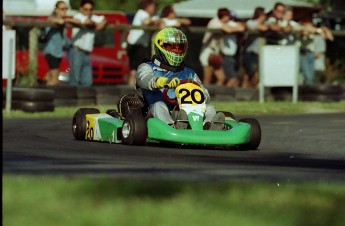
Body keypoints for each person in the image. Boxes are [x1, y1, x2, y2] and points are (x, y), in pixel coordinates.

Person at [136, 27, 225, 130]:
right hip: (154, 112)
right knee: (159, 105)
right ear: (160, 47)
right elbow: (144, 79)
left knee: (210, 108)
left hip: (184, 113)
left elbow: (205, 94)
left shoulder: (189, 72)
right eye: (172, 48)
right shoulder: (147, 66)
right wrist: (162, 81)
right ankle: (171, 126)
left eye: (179, 48)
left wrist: (202, 94)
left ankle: (207, 126)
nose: (176, 51)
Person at [68, 0, 107, 87]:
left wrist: (100, 24)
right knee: (74, 79)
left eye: (90, 9)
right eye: (86, 9)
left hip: (86, 53)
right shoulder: (78, 16)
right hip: (76, 51)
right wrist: (95, 24)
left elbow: (104, 20)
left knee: (87, 81)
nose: (88, 11)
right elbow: (87, 22)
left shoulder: (93, 17)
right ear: (81, 9)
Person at [199, 8, 239, 86]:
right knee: (207, 78)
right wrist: (235, 28)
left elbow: (241, 27)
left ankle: (215, 96)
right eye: (228, 16)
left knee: (222, 78)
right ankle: (202, 96)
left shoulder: (224, 23)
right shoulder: (215, 22)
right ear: (224, 16)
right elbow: (228, 30)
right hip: (208, 51)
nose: (229, 18)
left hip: (216, 52)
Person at [127, 0, 163, 86]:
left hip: (137, 45)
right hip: (138, 46)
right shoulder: (142, 13)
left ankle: (131, 91)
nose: (155, 8)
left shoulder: (148, 15)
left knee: (134, 71)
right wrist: (157, 22)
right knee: (140, 71)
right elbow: (147, 22)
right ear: (149, 6)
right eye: (154, 6)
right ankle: (135, 91)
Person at [43, 1, 72, 86]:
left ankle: (48, 94)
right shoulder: (52, 19)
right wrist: (65, 20)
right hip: (51, 52)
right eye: (62, 9)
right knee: (55, 79)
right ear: (56, 10)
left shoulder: (62, 21)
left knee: (52, 77)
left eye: (66, 9)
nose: (64, 11)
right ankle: (50, 96)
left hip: (57, 53)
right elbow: (57, 21)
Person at [242, 7, 268, 88]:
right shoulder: (250, 22)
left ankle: (251, 92)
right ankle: (244, 92)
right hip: (250, 52)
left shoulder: (265, 23)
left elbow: (266, 27)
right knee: (249, 74)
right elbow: (257, 27)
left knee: (256, 75)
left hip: (259, 53)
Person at [221, 10, 245, 87]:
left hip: (233, 55)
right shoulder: (228, 24)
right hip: (227, 55)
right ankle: (223, 96)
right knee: (232, 79)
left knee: (234, 79)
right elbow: (241, 28)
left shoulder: (232, 25)